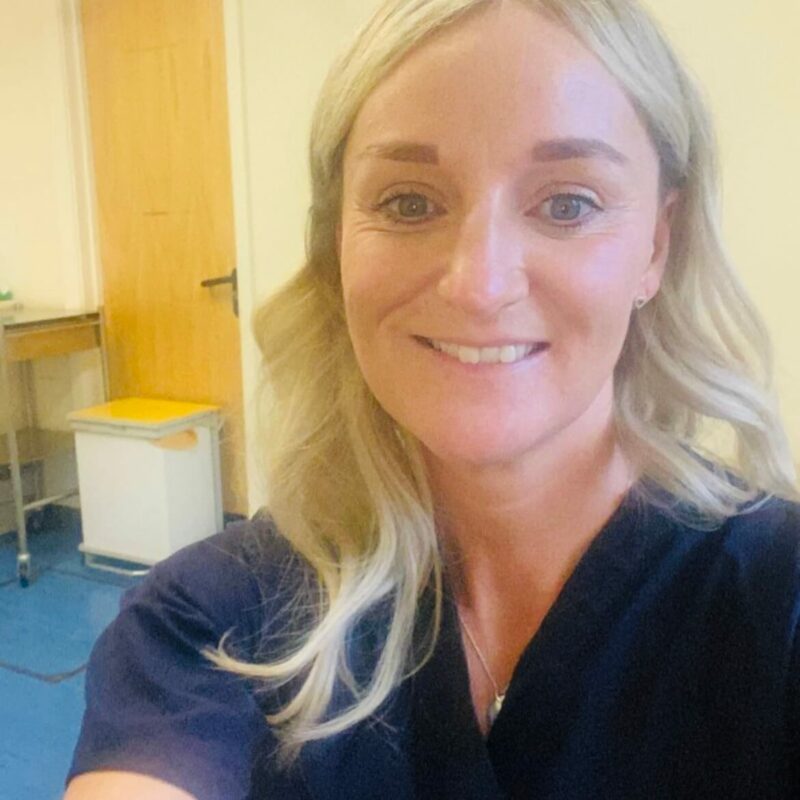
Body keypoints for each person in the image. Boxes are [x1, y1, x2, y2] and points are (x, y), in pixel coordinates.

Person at [64, 0, 800, 798]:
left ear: (656, 245)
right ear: (334, 243)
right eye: (409, 202)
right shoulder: (211, 621)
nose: (479, 285)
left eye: (568, 203)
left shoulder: (778, 601)